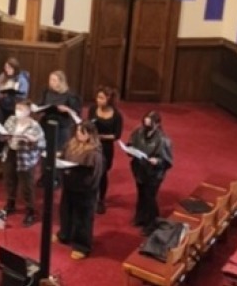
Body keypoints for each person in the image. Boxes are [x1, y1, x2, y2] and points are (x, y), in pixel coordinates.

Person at [58, 122, 104, 259]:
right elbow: (63, 157)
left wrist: (87, 186)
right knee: (66, 212)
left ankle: (82, 246)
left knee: (82, 219)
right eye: (78, 131)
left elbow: (95, 175)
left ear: (90, 135)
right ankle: (65, 235)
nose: (78, 134)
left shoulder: (94, 153)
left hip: (84, 191)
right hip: (69, 186)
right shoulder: (71, 144)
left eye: (82, 132)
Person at [128, 111, 173, 235]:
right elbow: (131, 143)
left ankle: (152, 223)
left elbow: (167, 161)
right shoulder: (139, 132)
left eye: (149, 123)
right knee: (141, 194)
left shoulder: (163, 139)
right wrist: (129, 149)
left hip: (154, 174)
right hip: (140, 170)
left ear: (157, 124)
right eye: (145, 122)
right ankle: (140, 218)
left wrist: (157, 161)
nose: (146, 125)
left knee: (150, 198)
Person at [2, 100, 45, 227]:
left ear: (28, 111)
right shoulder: (11, 119)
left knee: (27, 185)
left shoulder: (34, 125)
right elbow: (3, 134)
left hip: (26, 157)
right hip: (11, 152)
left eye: (21, 109)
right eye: (17, 108)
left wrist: (32, 140)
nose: (18, 111)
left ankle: (30, 210)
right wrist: (4, 136)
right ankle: (11, 203)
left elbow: (42, 144)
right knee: (9, 179)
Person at [38, 70, 81, 188]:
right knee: (44, 151)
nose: (51, 82)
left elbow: (76, 113)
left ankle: (56, 177)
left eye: (54, 80)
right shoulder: (46, 91)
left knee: (58, 152)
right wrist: (40, 109)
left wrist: (66, 109)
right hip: (46, 124)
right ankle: (45, 175)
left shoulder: (70, 95)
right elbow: (40, 104)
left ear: (61, 82)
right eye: (50, 80)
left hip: (61, 126)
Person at [88, 86, 124, 214]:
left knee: (102, 174)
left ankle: (101, 200)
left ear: (109, 99)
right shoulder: (93, 109)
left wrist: (101, 136)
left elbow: (117, 135)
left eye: (102, 98)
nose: (98, 100)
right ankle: (91, 196)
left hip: (106, 147)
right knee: (90, 172)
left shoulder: (116, 115)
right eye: (98, 97)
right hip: (92, 146)